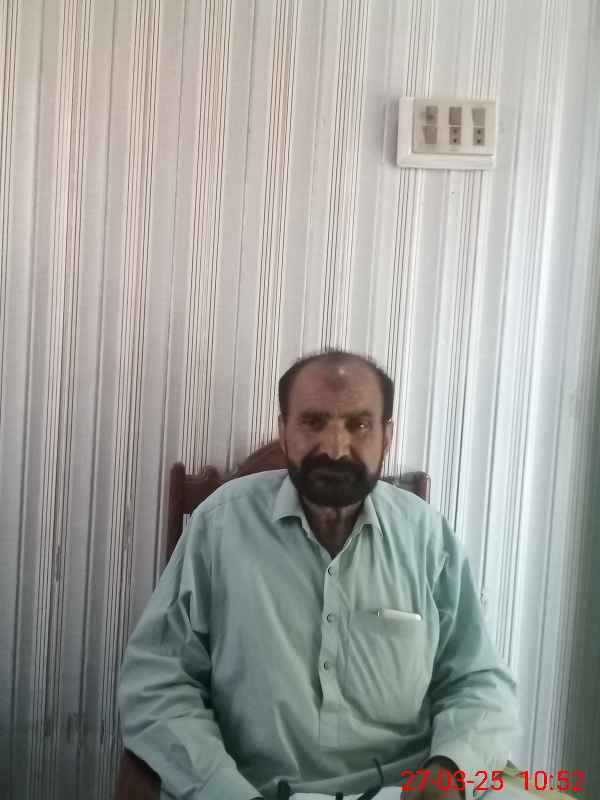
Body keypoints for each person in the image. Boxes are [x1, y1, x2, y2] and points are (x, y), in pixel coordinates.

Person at [118, 349, 520, 800]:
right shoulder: (220, 526)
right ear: (284, 432)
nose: (334, 447)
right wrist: (220, 788)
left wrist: (451, 768)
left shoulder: (426, 537)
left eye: (359, 425)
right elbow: (156, 682)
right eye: (313, 422)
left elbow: (479, 682)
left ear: (386, 437)